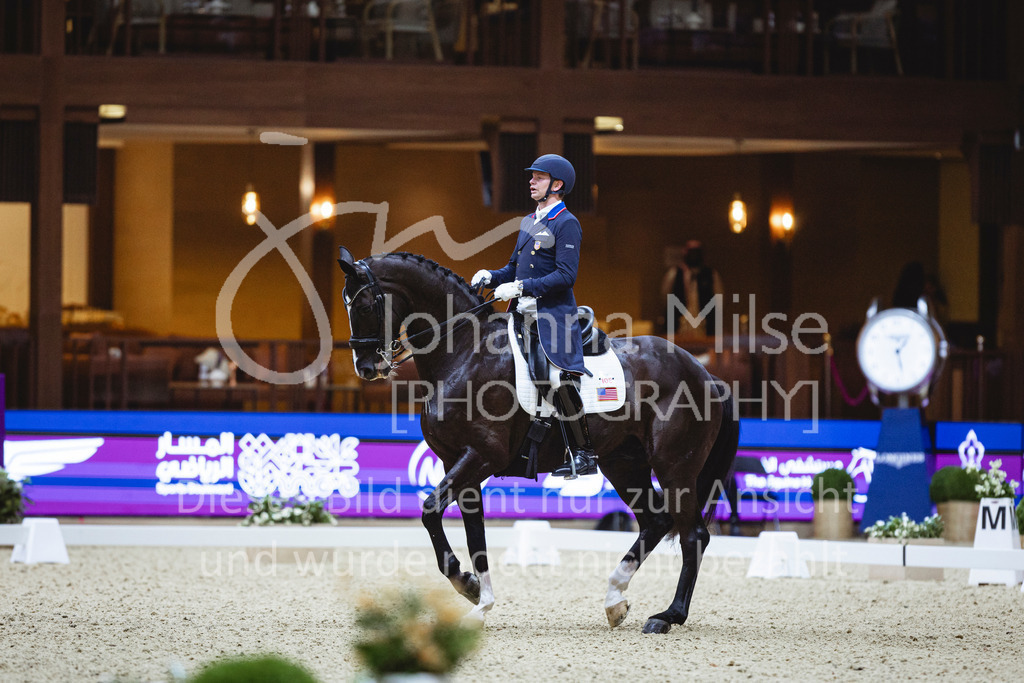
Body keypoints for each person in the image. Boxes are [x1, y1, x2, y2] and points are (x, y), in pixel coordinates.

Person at [471, 154, 598, 479]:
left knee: (558, 378)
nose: (531, 181)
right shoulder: (530, 221)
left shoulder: (566, 223)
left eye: (539, 177)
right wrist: (493, 276)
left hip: (553, 317)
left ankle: (583, 453)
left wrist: (520, 287)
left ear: (557, 185)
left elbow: (566, 275)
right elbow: (513, 267)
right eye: (532, 177)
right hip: (520, 316)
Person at [660, 240, 723, 338]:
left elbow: (719, 298)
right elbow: (665, 296)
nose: (694, 256)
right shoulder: (674, 273)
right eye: (691, 252)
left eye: (696, 253)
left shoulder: (711, 274)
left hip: (704, 325)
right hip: (679, 325)